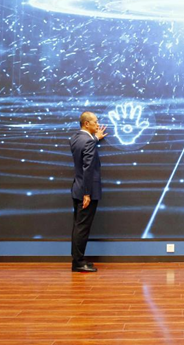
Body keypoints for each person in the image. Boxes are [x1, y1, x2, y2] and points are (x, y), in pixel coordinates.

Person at [70, 112, 107, 272]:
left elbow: (85, 147)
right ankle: (78, 263)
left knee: (78, 226)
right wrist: (87, 194)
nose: (98, 125)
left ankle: (78, 260)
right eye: (95, 122)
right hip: (86, 192)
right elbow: (88, 169)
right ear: (86, 123)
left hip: (76, 188)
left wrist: (95, 139)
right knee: (82, 228)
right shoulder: (88, 142)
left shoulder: (75, 138)